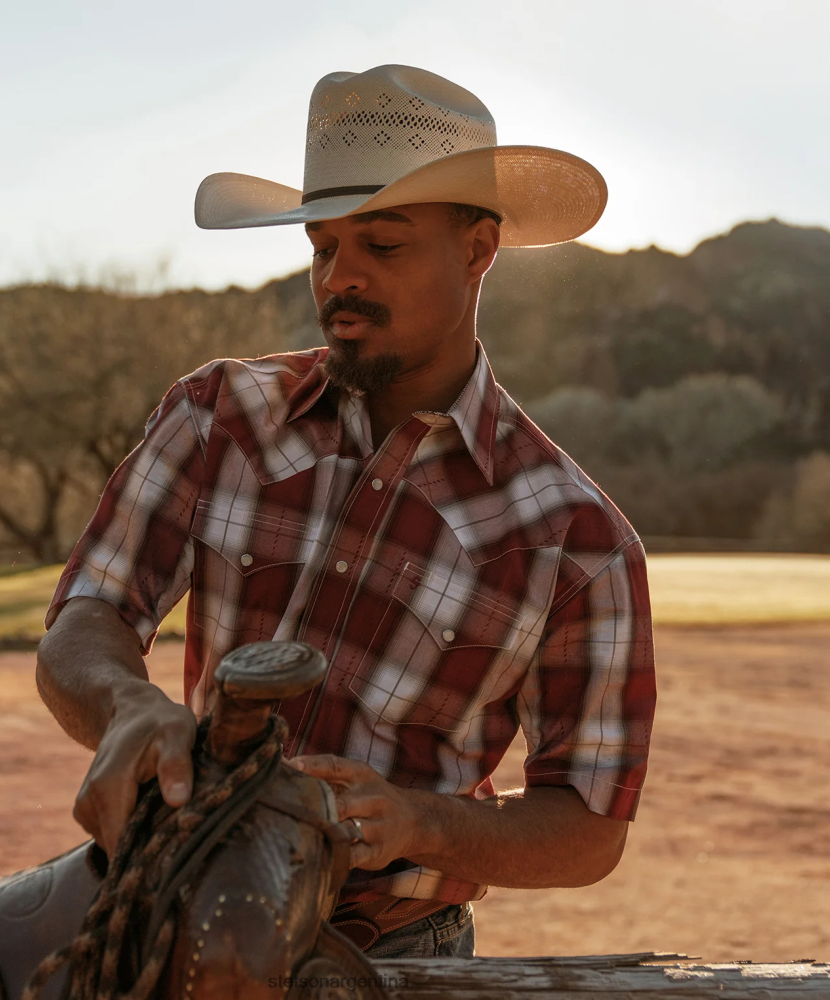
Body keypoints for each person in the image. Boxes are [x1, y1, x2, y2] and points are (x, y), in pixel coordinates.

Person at [37, 64, 656, 960]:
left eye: (384, 246)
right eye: (325, 246)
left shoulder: (578, 543)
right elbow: (86, 615)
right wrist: (125, 705)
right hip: (172, 910)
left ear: (479, 249)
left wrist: (418, 823)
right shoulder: (218, 415)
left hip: (392, 954)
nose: (341, 279)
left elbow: (590, 826)